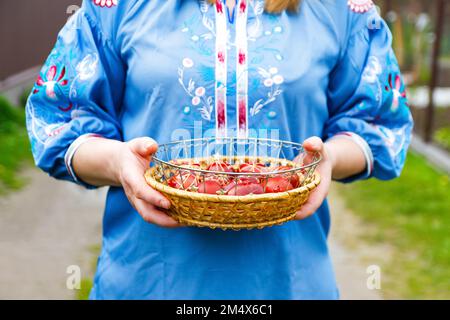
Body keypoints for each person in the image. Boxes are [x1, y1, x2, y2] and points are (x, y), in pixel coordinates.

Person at [26, 0, 413, 299]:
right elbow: (61, 119)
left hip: (289, 279)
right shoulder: (116, 7)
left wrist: (329, 158)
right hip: (149, 277)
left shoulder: (340, 11)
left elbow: (377, 123)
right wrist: (117, 161)